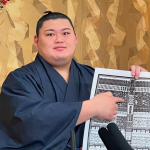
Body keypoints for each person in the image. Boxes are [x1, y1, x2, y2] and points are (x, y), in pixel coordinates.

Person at [0, 11, 148, 150]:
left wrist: (139, 82)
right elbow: (29, 122)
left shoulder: (92, 75)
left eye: (65, 33)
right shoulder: (20, 79)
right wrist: (92, 107)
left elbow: (121, 114)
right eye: (50, 34)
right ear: (36, 40)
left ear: (75, 38)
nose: (59, 39)